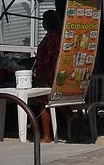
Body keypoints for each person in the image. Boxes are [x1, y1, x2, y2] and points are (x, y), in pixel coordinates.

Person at [31, 10, 62, 142]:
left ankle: (47, 135)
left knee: (43, 105)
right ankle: (77, 127)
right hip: (59, 78)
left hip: (48, 79)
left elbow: (48, 60)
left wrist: (42, 79)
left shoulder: (49, 39)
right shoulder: (60, 38)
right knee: (63, 105)